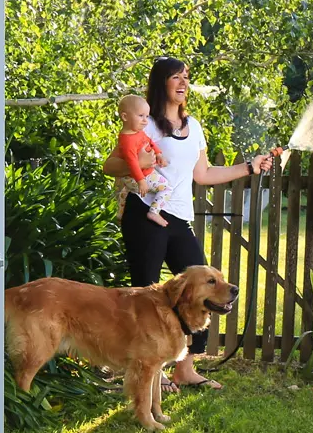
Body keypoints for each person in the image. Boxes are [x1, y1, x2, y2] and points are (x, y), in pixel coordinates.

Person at [102, 57, 274, 391]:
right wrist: (137, 162)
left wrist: (249, 168)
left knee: (202, 287)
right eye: (175, 77)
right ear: (161, 82)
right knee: (146, 290)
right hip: (145, 216)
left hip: (180, 218)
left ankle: (186, 368)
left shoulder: (192, 126)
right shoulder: (145, 123)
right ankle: (152, 371)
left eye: (186, 77)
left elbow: (204, 175)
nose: (183, 83)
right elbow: (110, 165)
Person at [112, 93, 172, 227]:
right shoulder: (127, 141)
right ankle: (154, 211)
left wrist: (159, 154)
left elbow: (149, 141)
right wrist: (141, 181)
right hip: (142, 176)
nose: (145, 120)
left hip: (132, 178)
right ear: (125, 117)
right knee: (166, 188)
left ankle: (120, 213)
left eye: (146, 116)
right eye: (141, 116)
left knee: (126, 190)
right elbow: (132, 163)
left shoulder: (136, 132)